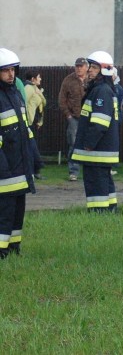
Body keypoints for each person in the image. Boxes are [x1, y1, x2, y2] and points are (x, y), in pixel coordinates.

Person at [71, 51, 120, 212]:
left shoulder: (102, 91)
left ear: (103, 70)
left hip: (97, 151)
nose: (89, 70)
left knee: (95, 185)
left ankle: (98, 215)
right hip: (101, 151)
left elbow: (100, 123)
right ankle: (110, 211)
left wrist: (88, 143)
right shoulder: (102, 89)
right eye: (90, 67)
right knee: (105, 183)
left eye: (93, 67)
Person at [0, 48, 35, 259]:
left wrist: (35, 158)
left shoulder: (15, 96)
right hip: (5, 170)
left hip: (20, 167)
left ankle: (14, 248)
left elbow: (25, 130)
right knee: (4, 214)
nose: (11, 75)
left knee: (17, 212)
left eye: (13, 70)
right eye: (5, 71)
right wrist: (3, 167)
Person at [58, 57, 88, 181]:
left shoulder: (91, 80)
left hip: (89, 118)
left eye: (81, 66)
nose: (79, 68)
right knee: (74, 144)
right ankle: (73, 171)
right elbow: (61, 99)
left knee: (90, 143)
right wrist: (68, 115)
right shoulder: (68, 80)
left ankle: (89, 171)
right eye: (77, 66)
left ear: (86, 67)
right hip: (74, 117)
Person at [22, 70, 46, 179]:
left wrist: (40, 120)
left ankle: (35, 170)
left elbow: (39, 106)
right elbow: (22, 102)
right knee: (31, 147)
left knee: (32, 147)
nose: (40, 79)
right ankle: (34, 170)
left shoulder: (35, 89)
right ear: (33, 79)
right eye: (38, 77)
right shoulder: (29, 88)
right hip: (27, 122)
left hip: (32, 122)